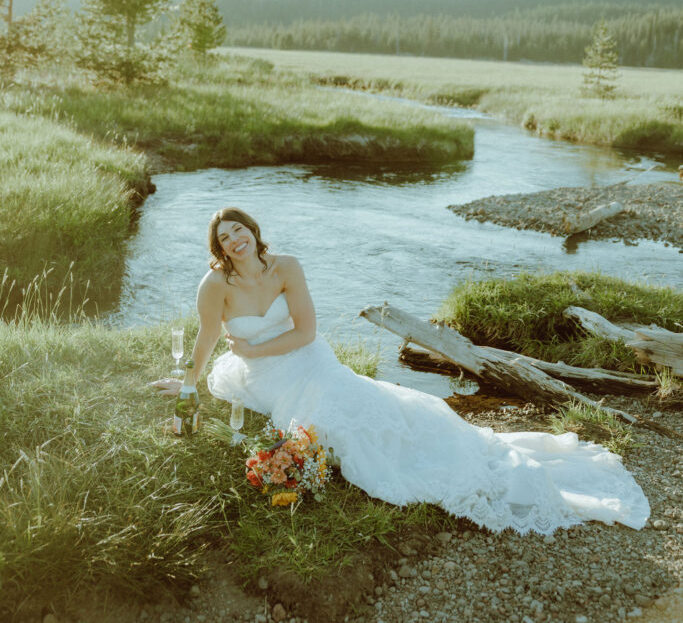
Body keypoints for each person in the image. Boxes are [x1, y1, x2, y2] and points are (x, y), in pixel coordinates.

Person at [152, 207, 650, 535]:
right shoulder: (215, 284)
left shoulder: (286, 266)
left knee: (355, 406)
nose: (235, 239)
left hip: (306, 358)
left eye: (239, 229)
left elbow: (305, 332)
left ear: (253, 230)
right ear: (217, 248)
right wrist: (190, 383)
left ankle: (454, 453)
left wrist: (256, 351)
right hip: (264, 378)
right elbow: (208, 337)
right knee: (323, 426)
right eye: (224, 237)